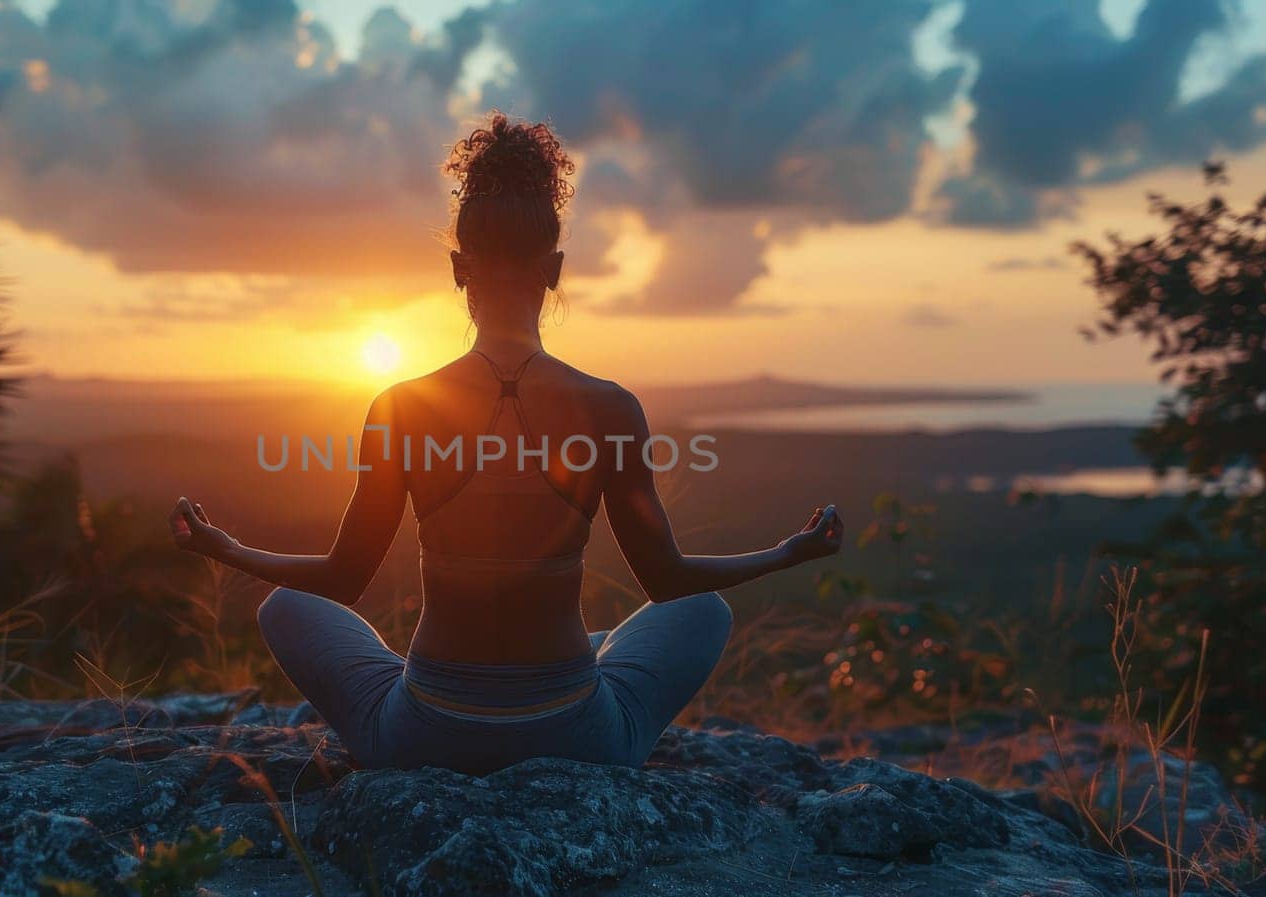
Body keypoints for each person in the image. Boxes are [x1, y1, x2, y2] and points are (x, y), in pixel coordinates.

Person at [169, 112, 843, 775]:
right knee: (703, 610)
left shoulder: (401, 407)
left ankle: (426, 702)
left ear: (459, 269)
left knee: (286, 604)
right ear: (554, 269)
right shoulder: (611, 408)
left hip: (426, 729)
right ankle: (609, 719)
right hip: (575, 731)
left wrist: (223, 547)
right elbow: (668, 582)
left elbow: (343, 579)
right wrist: (790, 551)